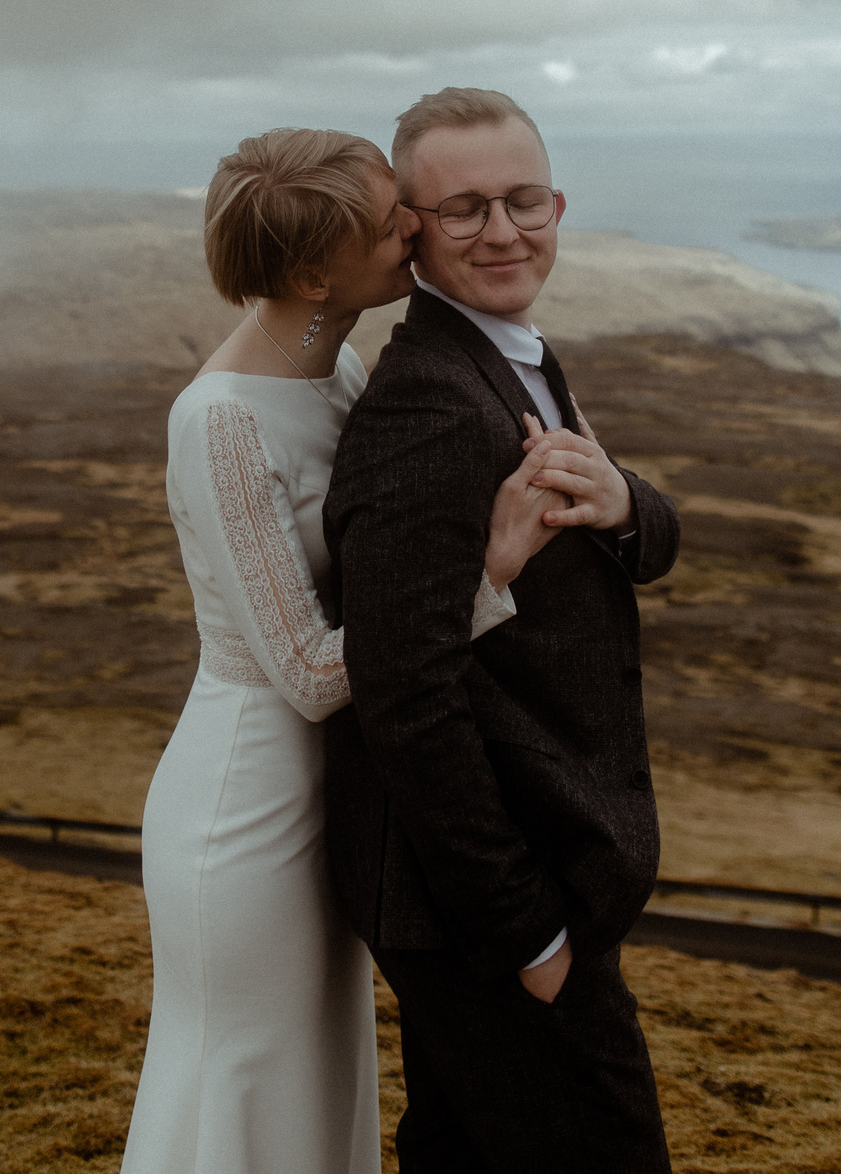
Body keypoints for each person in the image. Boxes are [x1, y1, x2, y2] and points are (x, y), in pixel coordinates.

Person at [121, 127, 571, 1174]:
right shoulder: (222, 422)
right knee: (245, 1075)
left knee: (318, 1075)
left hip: (327, 795)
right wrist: (485, 580)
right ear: (315, 270)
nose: (415, 225)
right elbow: (311, 673)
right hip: (247, 802)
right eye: (388, 223)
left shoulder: (341, 366)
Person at [324, 88, 682, 1173]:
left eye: (523, 200)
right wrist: (521, 927)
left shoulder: (509, 352)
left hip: (519, 877)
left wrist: (623, 500)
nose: (502, 230)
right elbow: (403, 692)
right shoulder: (431, 404)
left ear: (558, 204)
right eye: (465, 208)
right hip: (484, 899)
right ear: (412, 230)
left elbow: (630, 535)